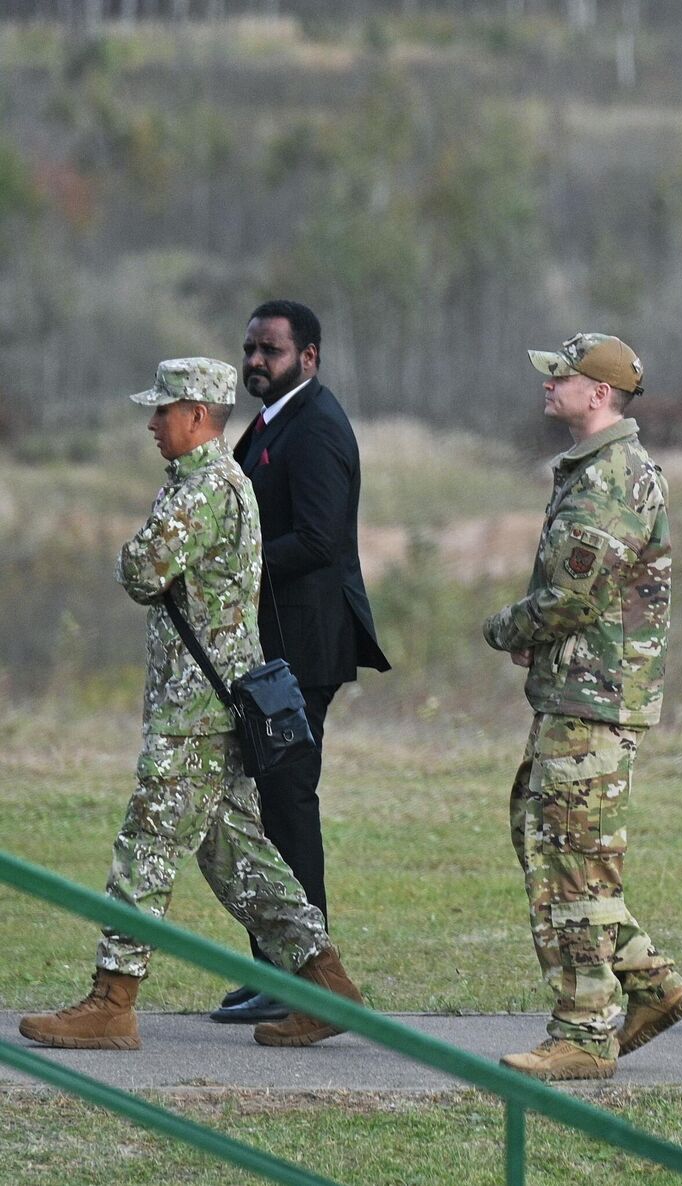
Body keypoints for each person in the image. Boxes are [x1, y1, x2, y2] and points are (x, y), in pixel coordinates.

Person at [19, 358, 365, 1053]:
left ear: (198, 416)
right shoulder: (220, 482)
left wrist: (138, 553)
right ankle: (325, 985)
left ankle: (112, 1002)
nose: (152, 423)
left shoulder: (203, 489)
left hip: (194, 713)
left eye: (163, 410)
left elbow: (139, 571)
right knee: (238, 855)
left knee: (145, 844)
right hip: (213, 704)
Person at [483, 333, 682, 1081]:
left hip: (594, 698)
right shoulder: (593, 468)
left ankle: (584, 1032)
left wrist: (507, 628)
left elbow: (573, 596)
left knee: (571, 860)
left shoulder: (609, 478)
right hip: (580, 692)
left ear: (599, 393)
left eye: (561, 377)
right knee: (548, 839)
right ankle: (648, 979)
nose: (549, 385)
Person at [214, 300, 390, 1024]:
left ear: (308, 357)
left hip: (305, 649)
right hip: (274, 647)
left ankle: (305, 980)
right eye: (250, 349)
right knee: (267, 807)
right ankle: (275, 968)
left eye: (272, 351)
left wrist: (230, 565)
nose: (256, 361)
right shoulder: (270, 422)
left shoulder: (316, 426)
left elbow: (318, 540)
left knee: (288, 805)